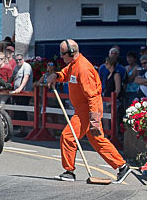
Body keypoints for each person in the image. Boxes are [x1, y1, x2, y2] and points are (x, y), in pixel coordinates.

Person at [45, 39, 130, 183]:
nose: (61, 57)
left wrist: (94, 119)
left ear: (71, 53)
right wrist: (57, 76)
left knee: (68, 136)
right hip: (83, 108)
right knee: (97, 140)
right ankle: (122, 166)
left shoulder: (83, 68)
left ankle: (69, 171)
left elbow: (92, 96)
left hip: (87, 109)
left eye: (63, 54)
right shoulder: (73, 65)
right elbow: (66, 74)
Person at [9, 52, 33, 135]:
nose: (18, 61)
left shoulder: (26, 67)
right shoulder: (16, 67)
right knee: (19, 110)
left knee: (23, 110)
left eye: (20, 59)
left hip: (25, 93)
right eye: (16, 60)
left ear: (23, 59)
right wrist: (5, 85)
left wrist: (20, 88)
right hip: (18, 93)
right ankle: (21, 130)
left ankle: (24, 130)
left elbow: (26, 78)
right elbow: (12, 77)